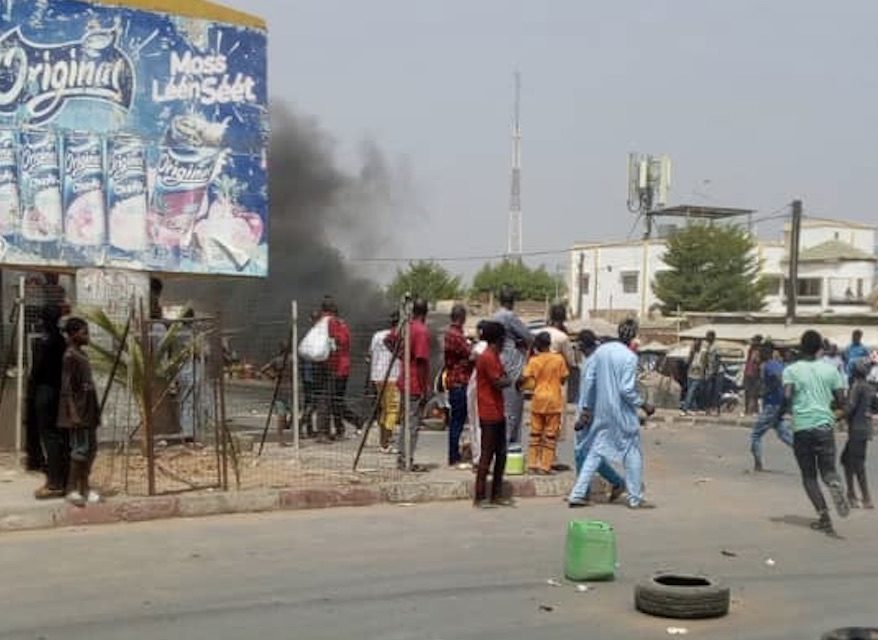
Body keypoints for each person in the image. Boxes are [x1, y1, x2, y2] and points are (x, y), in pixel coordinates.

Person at [568, 319, 655, 509]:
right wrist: (643, 404)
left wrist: (587, 410)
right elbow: (626, 389)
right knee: (632, 453)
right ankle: (635, 497)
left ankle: (577, 493)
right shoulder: (629, 357)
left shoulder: (601, 352)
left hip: (601, 411)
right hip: (622, 413)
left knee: (595, 451)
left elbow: (590, 381)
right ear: (633, 336)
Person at [782, 329, 849, 535]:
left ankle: (824, 516)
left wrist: (785, 413)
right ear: (820, 348)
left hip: (802, 427)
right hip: (824, 427)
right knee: (828, 471)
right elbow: (842, 403)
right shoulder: (831, 371)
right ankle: (834, 482)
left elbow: (787, 398)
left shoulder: (791, 371)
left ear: (801, 348)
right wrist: (834, 417)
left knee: (809, 476)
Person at [572, 330, 627, 504]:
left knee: (582, 452)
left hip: (591, 413)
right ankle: (617, 482)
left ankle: (584, 491)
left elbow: (590, 388)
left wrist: (585, 414)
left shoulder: (594, 362)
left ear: (582, 345)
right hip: (597, 411)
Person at [57, 318, 101, 507]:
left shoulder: (82, 354)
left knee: (91, 450)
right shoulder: (70, 356)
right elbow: (66, 388)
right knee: (80, 450)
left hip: (88, 408)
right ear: (74, 334)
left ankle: (85, 487)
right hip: (79, 410)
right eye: (84, 333)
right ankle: (71, 489)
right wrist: (73, 412)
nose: (87, 336)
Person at [29, 304, 68, 499]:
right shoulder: (61, 340)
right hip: (57, 391)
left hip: (46, 391)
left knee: (50, 436)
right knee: (57, 436)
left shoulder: (48, 341)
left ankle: (55, 483)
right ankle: (62, 478)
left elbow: (37, 371)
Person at [388, 298, 431, 471]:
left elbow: (390, 339)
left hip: (404, 379)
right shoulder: (420, 330)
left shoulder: (407, 327)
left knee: (406, 423)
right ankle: (407, 460)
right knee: (412, 424)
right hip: (414, 382)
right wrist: (424, 388)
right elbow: (421, 361)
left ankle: (402, 458)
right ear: (426, 313)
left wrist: (400, 355)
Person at [473, 321, 512, 508]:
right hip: (489, 411)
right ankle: (479, 496)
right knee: (487, 455)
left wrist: (507, 379)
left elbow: (502, 378)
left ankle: (496, 494)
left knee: (501, 454)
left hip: (497, 411)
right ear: (499, 339)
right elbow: (499, 382)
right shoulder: (488, 357)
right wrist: (508, 380)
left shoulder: (495, 356)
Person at [520, 332, 568, 475]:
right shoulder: (559, 359)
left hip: (538, 399)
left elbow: (526, 378)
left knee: (535, 434)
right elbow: (564, 378)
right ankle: (545, 466)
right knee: (550, 435)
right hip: (553, 400)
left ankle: (532, 464)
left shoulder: (534, 361)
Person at [492, 287, 533, 445]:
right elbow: (528, 337)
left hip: (498, 364)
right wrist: (521, 342)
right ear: (512, 302)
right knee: (512, 411)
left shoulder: (494, 316)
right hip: (512, 366)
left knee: (500, 410)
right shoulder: (509, 317)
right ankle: (509, 448)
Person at [749, 342, 793, 472]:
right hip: (777, 404)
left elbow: (779, 378)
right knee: (783, 433)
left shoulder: (769, 366)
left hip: (771, 405)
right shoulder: (776, 364)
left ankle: (758, 464)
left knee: (756, 435)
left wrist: (770, 389)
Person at [841, 359, 876, 509]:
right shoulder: (870, 388)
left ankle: (865, 497)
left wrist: (837, 415)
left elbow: (850, 407)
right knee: (847, 460)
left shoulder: (856, 386)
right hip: (865, 429)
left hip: (856, 429)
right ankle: (851, 493)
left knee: (857, 464)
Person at [443, 304, 472, 467]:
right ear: (462, 318)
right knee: (458, 421)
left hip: (455, 380)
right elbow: (470, 353)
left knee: (457, 420)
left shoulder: (452, 334)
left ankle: (454, 453)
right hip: (459, 381)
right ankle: (454, 456)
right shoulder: (456, 335)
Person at [368, 311, 400, 453]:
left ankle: (383, 441)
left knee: (385, 409)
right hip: (392, 377)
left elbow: (370, 354)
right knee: (393, 409)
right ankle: (385, 443)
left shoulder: (377, 335)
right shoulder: (399, 336)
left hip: (377, 376)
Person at [260, 342, 292, 447]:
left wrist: (272, 376)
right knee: (289, 413)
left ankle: (280, 440)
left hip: (279, 389)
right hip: (290, 390)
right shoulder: (292, 360)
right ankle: (285, 432)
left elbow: (263, 370)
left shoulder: (277, 360)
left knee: (281, 415)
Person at [681, 339, 705, 415]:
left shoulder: (703, 353)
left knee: (691, 391)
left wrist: (703, 372)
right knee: (691, 392)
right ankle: (694, 408)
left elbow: (703, 363)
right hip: (690, 374)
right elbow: (688, 361)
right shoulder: (692, 352)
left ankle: (685, 408)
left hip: (698, 375)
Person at [743, 335, 763, 415]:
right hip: (749, 373)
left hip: (755, 374)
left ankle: (753, 410)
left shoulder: (760, 350)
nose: (753, 342)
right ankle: (747, 409)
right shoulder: (750, 350)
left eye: (755, 341)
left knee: (754, 393)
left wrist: (757, 358)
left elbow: (758, 361)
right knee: (747, 392)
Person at [703, 331, 722, 415]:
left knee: (716, 391)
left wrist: (714, 371)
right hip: (709, 371)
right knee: (708, 391)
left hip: (717, 372)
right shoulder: (707, 346)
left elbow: (717, 360)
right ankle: (708, 409)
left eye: (708, 337)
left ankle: (716, 409)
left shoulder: (716, 346)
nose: (707, 338)